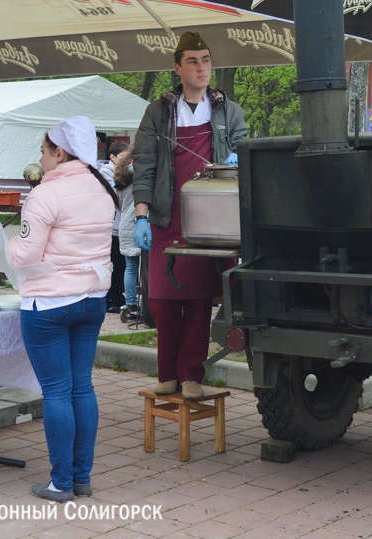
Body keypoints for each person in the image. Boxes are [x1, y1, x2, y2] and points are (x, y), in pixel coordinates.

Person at [6, 116, 118, 502]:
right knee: (81, 387)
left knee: (56, 392)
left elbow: (25, 255)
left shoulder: (45, 194)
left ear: (59, 153)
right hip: (92, 298)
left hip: (50, 301)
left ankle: (61, 483)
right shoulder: (102, 188)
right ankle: (80, 478)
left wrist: (8, 244)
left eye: (43, 151)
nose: (40, 158)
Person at [132, 31, 247, 399]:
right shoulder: (158, 111)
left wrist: (239, 158)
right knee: (161, 300)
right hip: (166, 218)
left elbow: (246, 152)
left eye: (206, 61)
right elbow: (144, 165)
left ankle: (191, 375)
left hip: (211, 220)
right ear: (177, 68)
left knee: (198, 300)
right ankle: (166, 372)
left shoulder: (229, 111)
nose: (202, 68)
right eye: (193, 62)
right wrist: (141, 216)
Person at [113, 144, 144, 321]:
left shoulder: (121, 179)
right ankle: (147, 303)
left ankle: (131, 304)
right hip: (140, 223)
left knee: (130, 268)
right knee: (146, 267)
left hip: (124, 225)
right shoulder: (142, 176)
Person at [98, 141, 127, 313]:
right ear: (113, 157)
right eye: (123, 158)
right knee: (111, 264)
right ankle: (109, 298)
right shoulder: (105, 172)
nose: (127, 161)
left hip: (122, 226)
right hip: (110, 227)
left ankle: (117, 296)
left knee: (121, 265)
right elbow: (116, 196)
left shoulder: (126, 171)